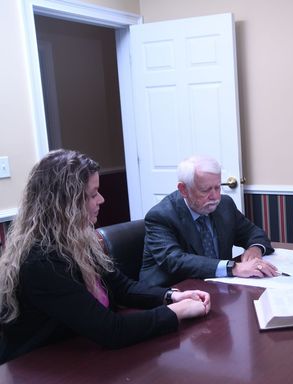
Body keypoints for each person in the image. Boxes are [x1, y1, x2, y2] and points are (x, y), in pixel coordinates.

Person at [0, 150, 210, 364]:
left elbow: (122, 287)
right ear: (65, 204)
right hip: (40, 372)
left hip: (84, 356)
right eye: (92, 194)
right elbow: (112, 330)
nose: (101, 199)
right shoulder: (40, 261)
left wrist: (171, 296)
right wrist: (177, 312)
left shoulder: (77, 241)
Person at [140, 155, 277, 287]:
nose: (215, 197)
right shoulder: (160, 216)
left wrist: (256, 248)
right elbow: (175, 261)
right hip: (170, 293)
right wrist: (233, 268)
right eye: (205, 190)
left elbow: (254, 233)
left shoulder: (224, 205)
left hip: (214, 286)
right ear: (183, 190)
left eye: (217, 187)